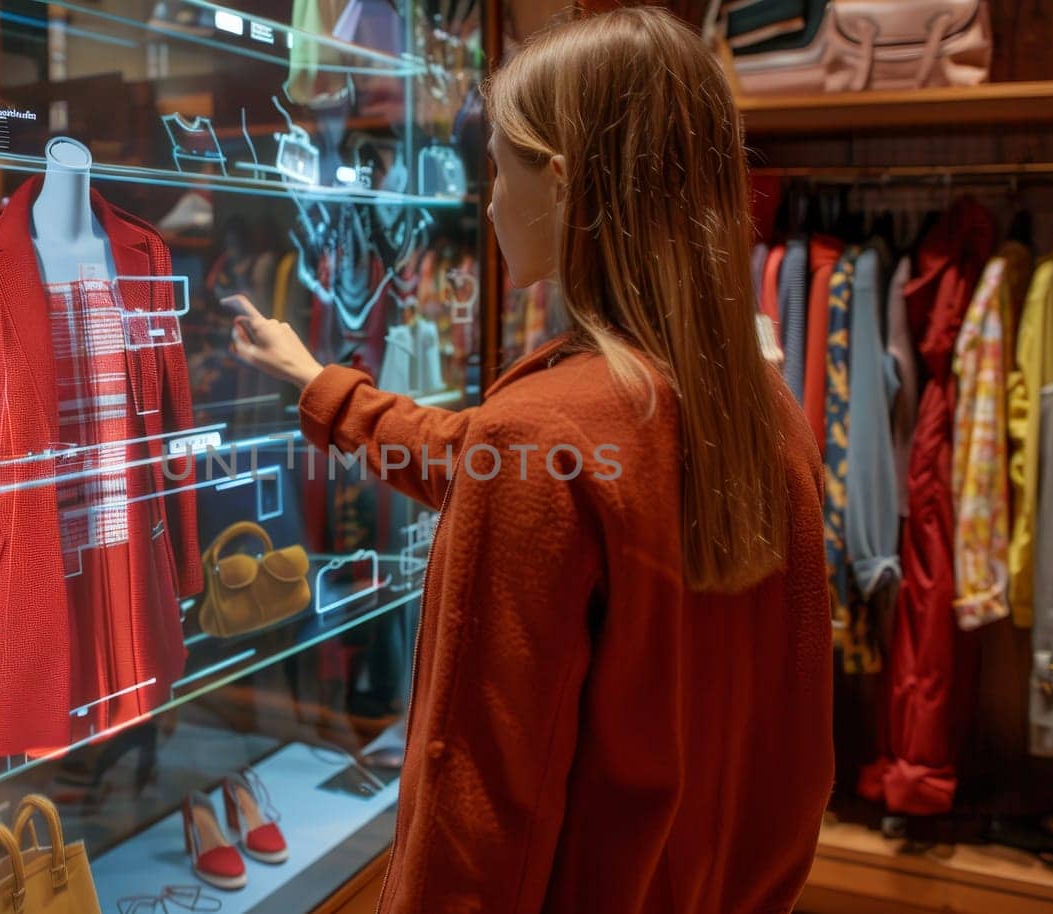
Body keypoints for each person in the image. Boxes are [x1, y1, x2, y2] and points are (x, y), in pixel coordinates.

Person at [226, 7, 833, 913]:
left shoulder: (548, 429)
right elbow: (795, 764)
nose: (488, 199)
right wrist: (323, 384)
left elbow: (476, 806)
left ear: (558, 181)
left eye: (496, 169)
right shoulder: (759, 410)